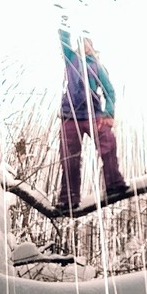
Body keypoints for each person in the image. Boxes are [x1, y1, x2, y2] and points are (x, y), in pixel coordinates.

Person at [56, 17, 128, 213]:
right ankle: (68, 199)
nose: (84, 45)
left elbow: (110, 90)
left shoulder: (96, 65)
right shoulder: (70, 58)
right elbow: (63, 39)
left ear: (92, 46)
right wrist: (64, 18)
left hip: (93, 115)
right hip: (69, 116)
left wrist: (108, 113)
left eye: (87, 42)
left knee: (108, 144)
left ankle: (114, 183)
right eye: (81, 42)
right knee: (69, 158)